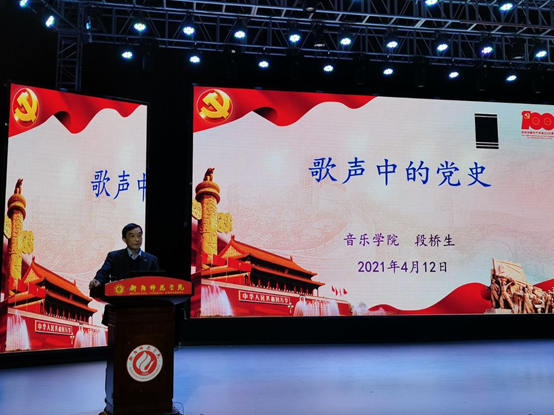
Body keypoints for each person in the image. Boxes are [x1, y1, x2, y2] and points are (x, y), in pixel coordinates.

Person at [89, 223, 160, 289]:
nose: (137, 239)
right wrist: (97, 281)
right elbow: (104, 272)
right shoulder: (114, 257)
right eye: (132, 236)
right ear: (124, 239)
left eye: (139, 235)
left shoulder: (152, 259)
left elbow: (159, 280)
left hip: (144, 296)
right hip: (120, 295)